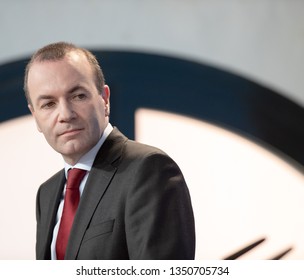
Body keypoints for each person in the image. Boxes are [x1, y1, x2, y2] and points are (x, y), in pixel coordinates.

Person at [24, 42, 195, 260]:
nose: (65, 114)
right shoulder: (46, 194)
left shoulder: (149, 170)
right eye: (48, 104)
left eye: (78, 96)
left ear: (104, 100)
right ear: (35, 116)